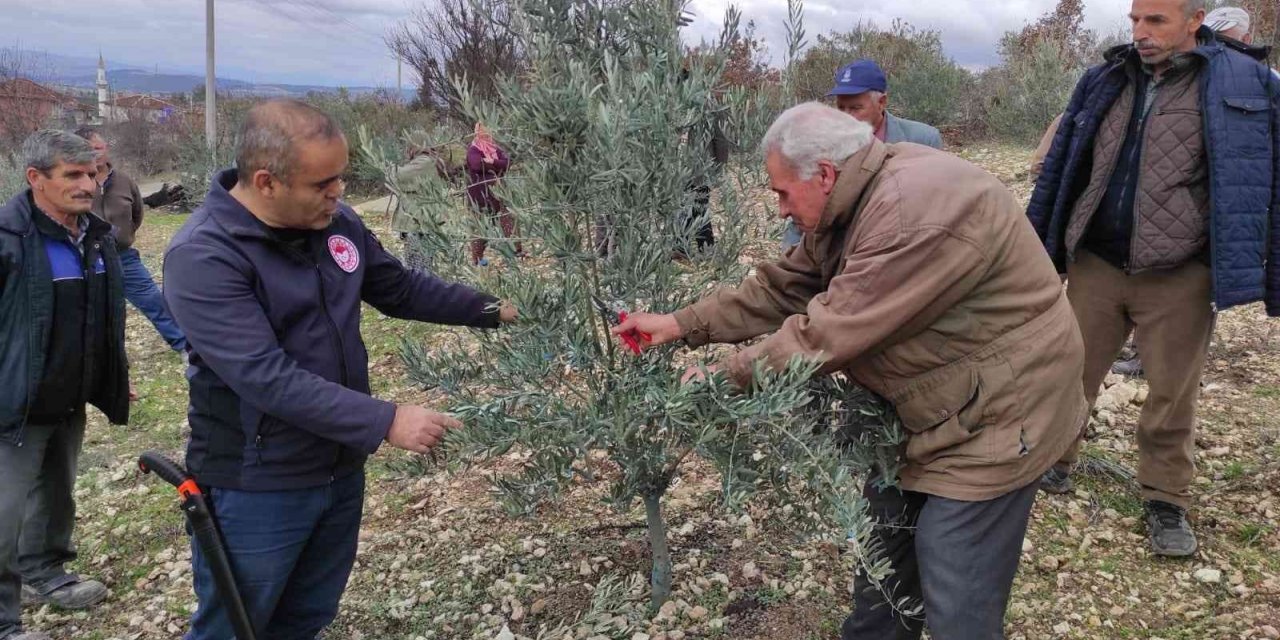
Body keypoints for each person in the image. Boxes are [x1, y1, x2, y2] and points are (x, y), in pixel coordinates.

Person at [615, 102, 1087, 639]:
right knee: (884, 571)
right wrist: (679, 324)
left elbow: (824, 335)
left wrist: (721, 381)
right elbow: (783, 287)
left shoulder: (910, 212)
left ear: (824, 174)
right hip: (927, 405)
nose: (779, 210)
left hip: (1000, 412)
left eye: (781, 193)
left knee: (957, 586)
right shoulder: (853, 198)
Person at [162, 100, 516, 640]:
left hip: (338, 464)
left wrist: (498, 310)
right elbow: (264, 376)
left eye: (342, 177)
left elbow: (399, 289)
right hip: (258, 481)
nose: (340, 192)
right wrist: (385, 420)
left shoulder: (335, 223)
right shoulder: (204, 255)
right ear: (267, 182)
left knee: (306, 615)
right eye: (323, 183)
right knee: (236, 625)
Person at [1027, 0, 1280, 556]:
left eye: (1156, 21)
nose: (1140, 32)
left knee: (1171, 392)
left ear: (1195, 20)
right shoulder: (1106, 78)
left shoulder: (1245, 82)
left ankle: (1166, 498)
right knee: (1069, 371)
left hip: (1180, 271)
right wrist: (1044, 237)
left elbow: (1264, 174)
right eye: (1135, 21)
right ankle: (1052, 462)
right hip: (1096, 261)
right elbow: (1067, 160)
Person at [0, 130, 130, 640]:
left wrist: (110, 374)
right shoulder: (8, 239)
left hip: (66, 395)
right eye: (73, 175)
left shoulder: (94, 235)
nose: (88, 185)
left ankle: (44, 572)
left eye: (92, 174)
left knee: (57, 492)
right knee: (4, 510)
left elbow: (99, 315)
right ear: (35, 178)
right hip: (12, 402)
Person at [782, 59, 944, 249]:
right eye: (841, 108)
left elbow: (935, 208)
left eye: (855, 108)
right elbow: (803, 213)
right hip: (841, 250)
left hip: (903, 246)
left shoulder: (922, 139)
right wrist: (789, 256)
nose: (846, 117)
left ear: (881, 102)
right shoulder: (821, 146)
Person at [73, 127, 189, 358]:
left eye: (98, 148)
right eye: (88, 150)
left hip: (123, 256)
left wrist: (123, 236)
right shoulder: (75, 182)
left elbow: (136, 214)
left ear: (106, 148)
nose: (95, 154)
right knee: (89, 310)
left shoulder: (124, 181)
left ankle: (185, 347)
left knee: (153, 300)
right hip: (86, 258)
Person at [466, 122, 522, 265]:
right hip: (479, 196)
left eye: (487, 132)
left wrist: (491, 161)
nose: (486, 134)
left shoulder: (496, 149)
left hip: (499, 193)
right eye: (482, 131)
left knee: (508, 221)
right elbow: (477, 164)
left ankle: (516, 252)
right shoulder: (473, 149)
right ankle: (477, 259)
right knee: (480, 226)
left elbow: (507, 164)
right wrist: (497, 165)